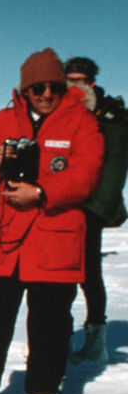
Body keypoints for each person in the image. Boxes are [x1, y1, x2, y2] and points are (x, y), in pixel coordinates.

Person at [0, 49, 104, 394]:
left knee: (51, 321)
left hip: (55, 240)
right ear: (25, 89)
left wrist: (42, 192)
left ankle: (44, 389)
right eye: (37, 87)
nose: (46, 93)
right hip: (1, 239)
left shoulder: (81, 123)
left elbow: (87, 174)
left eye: (53, 86)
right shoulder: (3, 120)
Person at [64, 56, 127, 364]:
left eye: (80, 81)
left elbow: (114, 170)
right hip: (61, 205)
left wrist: (95, 211)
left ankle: (95, 341)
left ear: (92, 82)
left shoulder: (112, 118)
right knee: (58, 272)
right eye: (69, 80)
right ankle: (57, 337)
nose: (74, 87)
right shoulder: (59, 113)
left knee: (89, 271)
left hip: (91, 209)